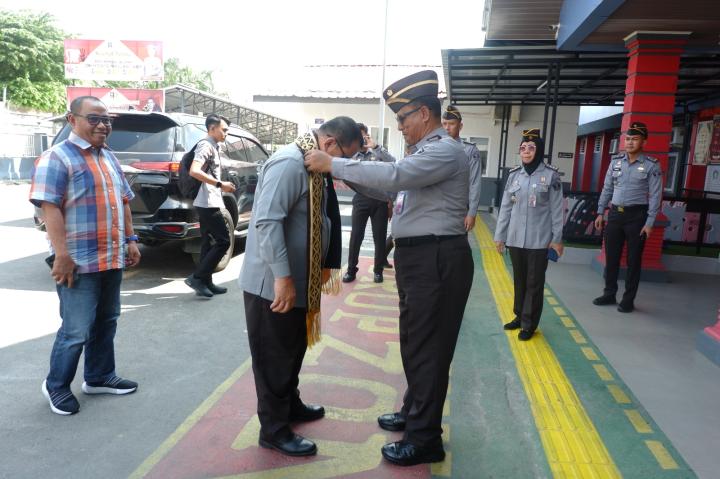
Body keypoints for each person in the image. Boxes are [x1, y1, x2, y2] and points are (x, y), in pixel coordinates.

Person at [304, 70, 474, 467]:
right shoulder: (424, 152)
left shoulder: (445, 150)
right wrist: (347, 174)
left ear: (426, 114)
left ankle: (425, 438)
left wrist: (335, 165)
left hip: (437, 259)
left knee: (428, 350)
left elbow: (396, 176)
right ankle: (415, 412)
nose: (400, 126)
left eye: (404, 118)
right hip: (422, 260)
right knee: (416, 345)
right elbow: (389, 189)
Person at [239, 117, 362, 457]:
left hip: (298, 279)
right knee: (273, 357)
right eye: (344, 157)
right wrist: (283, 278)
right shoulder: (290, 164)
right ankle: (274, 430)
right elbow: (267, 222)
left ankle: (290, 405)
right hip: (274, 285)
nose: (341, 166)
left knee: (291, 350)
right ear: (332, 144)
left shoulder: (312, 163)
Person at [30, 96, 141, 415]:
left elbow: (123, 201)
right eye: (94, 119)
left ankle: (99, 376)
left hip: (111, 256)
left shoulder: (108, 157)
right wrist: (61, 255)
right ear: (72, 120)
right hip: (78, 261)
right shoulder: (57, 158)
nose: (103, 125)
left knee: (107, 321)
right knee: (76, 329)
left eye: (107, 120)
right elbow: (49, 208)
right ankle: (56, 385)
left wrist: (131, 240)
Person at [494, 129, 564, 341]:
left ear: (539, 150)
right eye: (523, 148)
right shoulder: (515, 175)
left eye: (531, 148)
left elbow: (557, 210)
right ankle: (518, 316)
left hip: (539, 240)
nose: (526, 151)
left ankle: (529, 323)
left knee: (534, 283)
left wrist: (557, 239)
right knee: (519, 280)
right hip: (515, 238)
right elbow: (506, 207)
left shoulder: (551, 176)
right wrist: (500, 235)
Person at [593, 122, 662, 313]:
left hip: (637, 217)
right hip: (615, 214)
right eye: (628, 139)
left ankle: (628, 300)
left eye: (635, 139)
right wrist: (600, 212)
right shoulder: (615, 162)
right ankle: (609, 293)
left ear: (644, 142)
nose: (630, 142)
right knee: (612, 257)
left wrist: (649, 223)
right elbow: (607, 188)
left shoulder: (651, 165)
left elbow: (656, 195)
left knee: (633, 260)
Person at [184, 114, 237, 298]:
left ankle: (206, 281)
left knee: (208, 242)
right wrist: (221, 185)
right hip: (207, 202)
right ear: (212, 128)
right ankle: (197, 278)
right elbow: (194, 170)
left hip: (210, 200)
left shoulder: (214, 146)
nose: (226, 133)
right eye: (223, 130)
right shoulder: (205, 145)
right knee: (223, 241)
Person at [343, 123, 396, 284]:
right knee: (356, 236)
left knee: (379, 237)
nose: (361, 140)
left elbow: (393, 162)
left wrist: (376, 146)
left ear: (367, 136)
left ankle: (378, 270)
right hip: (361, 200)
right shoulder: (353, 156)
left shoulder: (377, 153)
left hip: (380, 200)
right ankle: (351, 270)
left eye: (363, 136)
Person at [442, 105, 482, 231]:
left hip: (458, 209)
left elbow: (474, 182)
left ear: (460, 126)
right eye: (444, 124)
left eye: (451, 124)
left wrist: (472, 213)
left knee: (455, 247)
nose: (447, 128)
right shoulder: (434, 148)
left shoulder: (470, 151)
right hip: (436, 208)